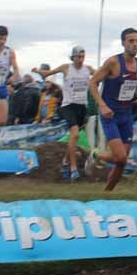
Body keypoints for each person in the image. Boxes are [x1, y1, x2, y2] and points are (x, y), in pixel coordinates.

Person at [89, 28, 137, 191]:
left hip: (126, 115)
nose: (135, 44)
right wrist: (102, 105)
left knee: (122, 162)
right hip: (110, 114)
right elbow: (92, 83)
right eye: (131, 41)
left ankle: (107, 193)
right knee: (120, 157)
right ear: (123, 43)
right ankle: (95, 154)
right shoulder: (113, 62)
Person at [34, 46, 95, 182]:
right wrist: (38, 71)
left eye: (82, 57)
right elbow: (47, 74)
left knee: (73, 138)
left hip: (81, 107)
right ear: (72, 57)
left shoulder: (88, 69)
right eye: (77, 57)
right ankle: (73, 168)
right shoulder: (66, 68)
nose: (80, 60)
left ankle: (65, 161)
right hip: (68, 106)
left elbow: (101, 75)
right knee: (75, 134)